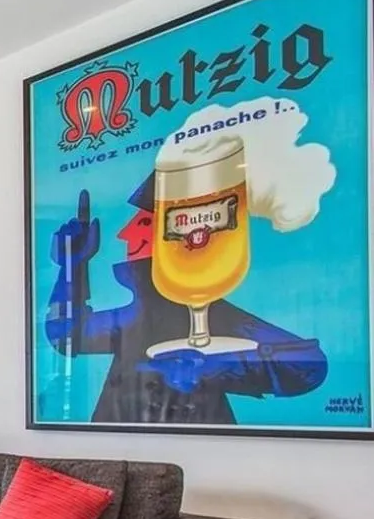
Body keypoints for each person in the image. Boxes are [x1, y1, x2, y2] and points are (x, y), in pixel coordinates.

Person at [45, 174, 327, 425]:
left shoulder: (212, 315)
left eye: (143, 222)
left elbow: (307, 364)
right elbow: (68, 336)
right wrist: (71, 266)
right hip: (116, 447)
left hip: (197, 452)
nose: (125, 234)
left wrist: (209, 367)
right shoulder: (131, 317)